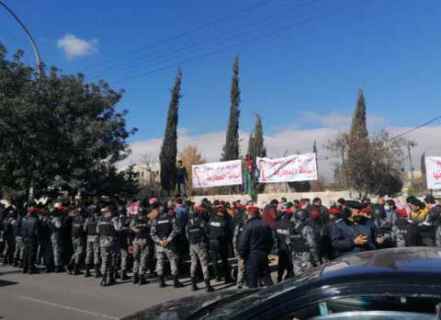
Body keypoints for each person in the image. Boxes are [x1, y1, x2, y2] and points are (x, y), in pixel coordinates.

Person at [239, 205, 273, 289]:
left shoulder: (248, 226)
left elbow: (243, 243)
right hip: (263, 254)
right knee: (267, 279)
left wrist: (242, 256)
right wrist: (267, 252)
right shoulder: (265, 224)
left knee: (252, 281)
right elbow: (271, 240)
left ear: (250, 214)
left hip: (252, 256)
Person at [150, 202, 183, 288]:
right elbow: (176, 230)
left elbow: (152, 234)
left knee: (159, 262)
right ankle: (175, 282)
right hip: (169, 245)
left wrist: (160, 241)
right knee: (173, 261)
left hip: (159, 246)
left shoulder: (155, 220)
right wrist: (168, 240)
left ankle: (161, 282)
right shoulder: (171, 218)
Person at [186, 205, 214, 292]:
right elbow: (206, 232)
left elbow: (187, 235)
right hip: (200, 244)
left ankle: (193, 284)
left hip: (192, 245)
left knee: (193, 263)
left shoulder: (188, 223)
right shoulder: (201, 221)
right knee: (204, 264)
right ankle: (207, 285)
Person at [207, 204, 233, 283]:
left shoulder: (211, 219)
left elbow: (207, 230)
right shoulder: (225, 220)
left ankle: (217, 276)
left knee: (214, 260)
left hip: (212, 242)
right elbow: (228, 232)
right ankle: (227, 278)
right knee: (224, 260)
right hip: (221, 242)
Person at [290, 208, 319, 277]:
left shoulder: (292, 228)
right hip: (306, 255)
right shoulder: (306, 228)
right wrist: (316, 259)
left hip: (295, 254)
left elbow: (288, 241)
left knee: (299, 276)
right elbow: (312, 244)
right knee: (310, 276)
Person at [97, 206, 119, 286]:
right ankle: (110, 278)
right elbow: (118, 228)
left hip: (102, 241)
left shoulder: (100, 220)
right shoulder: (113, 219)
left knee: (104, 260)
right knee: (112, 260)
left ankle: (103, 279)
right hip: (111, 241)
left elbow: (97, 230)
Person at [130, 208, 152, 285]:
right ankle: (141, 278)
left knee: (136, 259)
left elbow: (131, 227)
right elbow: (151, 227)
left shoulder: (134, 219)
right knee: (143, 258)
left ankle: (134, 276)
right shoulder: (147, 219)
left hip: (136, 240)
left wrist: (137, 230)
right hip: (144, 240)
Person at [274, 205, 294, 282]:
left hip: (281, 247)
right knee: (289, 264)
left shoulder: (278, 223)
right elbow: (291, 236)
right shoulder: (290, 224)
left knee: (281, 264)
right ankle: (289, 277)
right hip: (288, 247)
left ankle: (279, 278)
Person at [83, 205, 101, 278]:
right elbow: (99, 229)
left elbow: (84, 229)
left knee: (88, 253)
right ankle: (96, 271)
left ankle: (87, 271)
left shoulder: (87, 219)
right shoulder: (98, 219)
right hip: (96, 237)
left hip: (89, 236)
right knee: (96, 253)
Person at [21, 207, 40, 274]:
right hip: (32, 238)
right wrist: (38, 239)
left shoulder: (24, 219)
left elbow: (22, 229)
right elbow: (36, 232)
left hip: (25, 238)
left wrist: (23, 237)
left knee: (25, 253)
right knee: (31, 254)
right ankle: (30, 268)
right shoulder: (35, 220)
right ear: (34, 212)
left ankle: (24, 268)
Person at [68, 208, 86, 275]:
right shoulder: (81, 219)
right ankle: (71, 267)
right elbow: (84, 229)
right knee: (79, 252)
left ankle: (73, 268)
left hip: (73, 237)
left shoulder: (73, 219)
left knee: (76, 252)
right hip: (79, 238)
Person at [50, 203, 65, 272]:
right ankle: (57, 266)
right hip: (56, 235)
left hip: (53, 235)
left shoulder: (51, 218)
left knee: (55, 250)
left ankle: (56, 264)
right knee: (57, 250)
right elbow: (59, 227)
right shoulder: (56, 219)